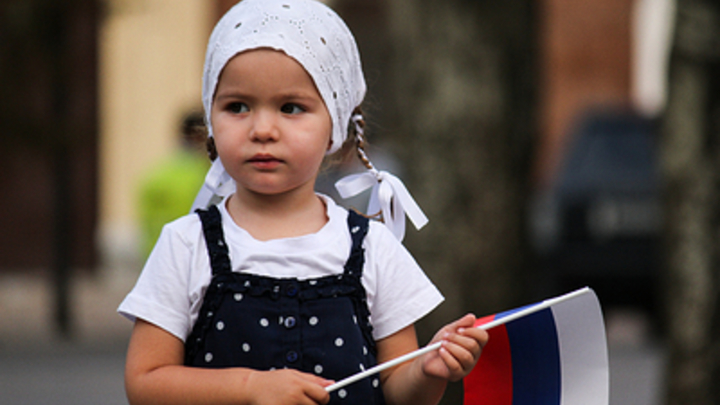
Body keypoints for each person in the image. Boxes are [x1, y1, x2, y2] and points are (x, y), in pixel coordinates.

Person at [118, 1, 488, 404]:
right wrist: (251, 388)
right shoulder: (186, 245)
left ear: (338, 123)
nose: (262, 129)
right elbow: (146, 382)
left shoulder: (374, 248)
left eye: (290, 108)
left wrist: (427, 370)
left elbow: (400, 392)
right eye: (237, 106)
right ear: (210, 117)